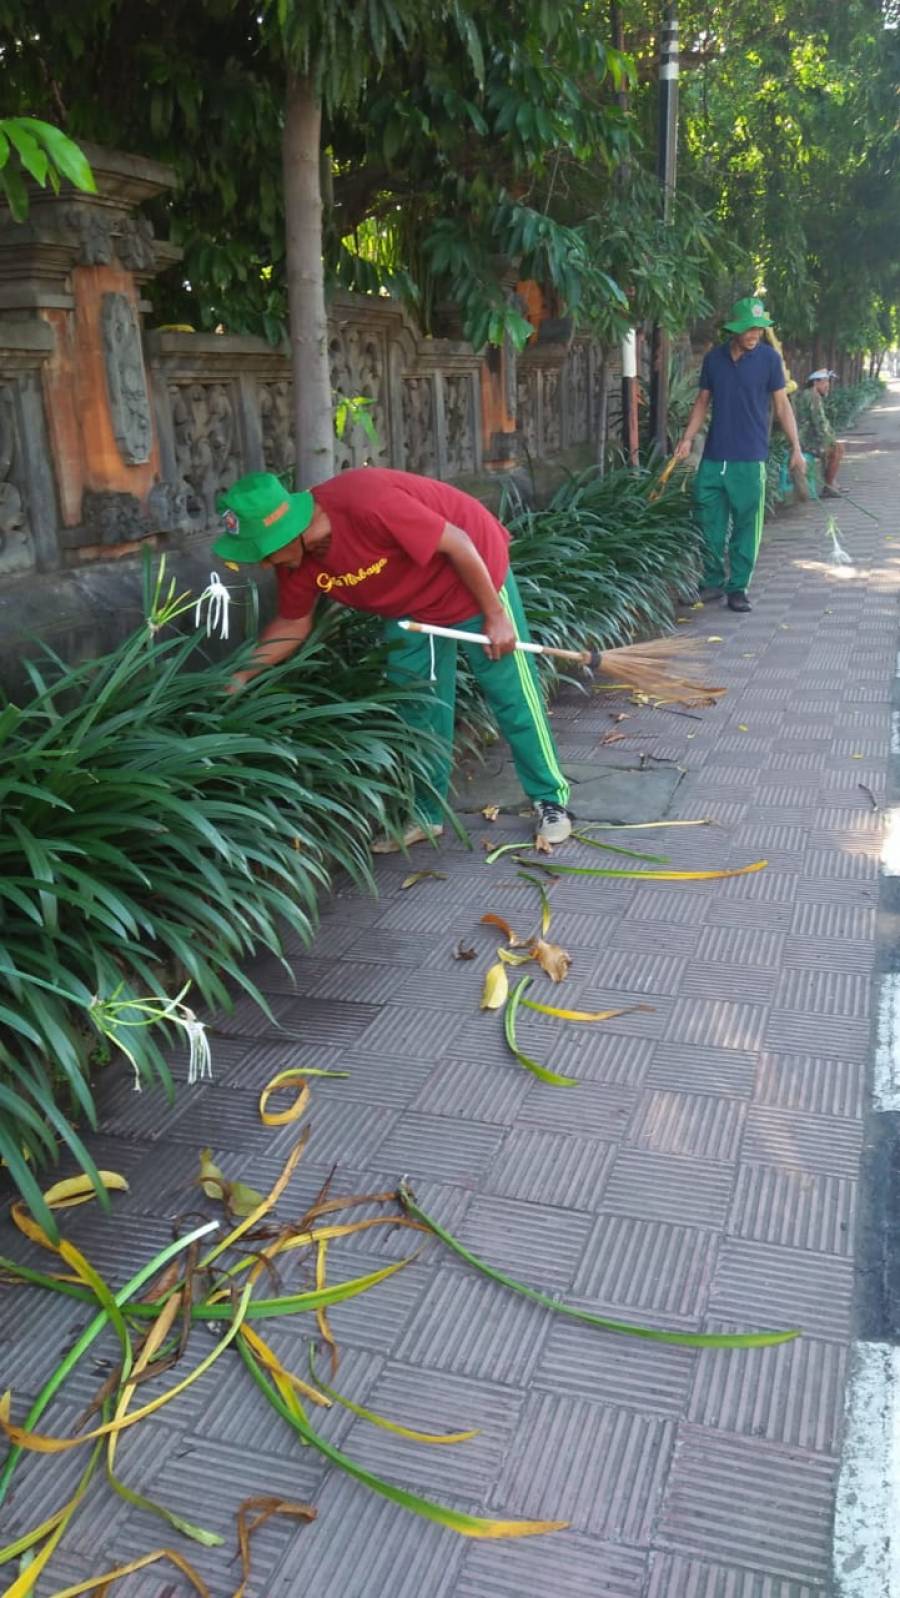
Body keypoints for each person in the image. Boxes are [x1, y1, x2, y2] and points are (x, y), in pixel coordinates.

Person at [212, 468, 572, 851]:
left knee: (511, 692)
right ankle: (426, 814)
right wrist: (242, 674)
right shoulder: (294, 561)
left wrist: (496, 615)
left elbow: (459, 542)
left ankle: (550, 799)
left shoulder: (366, 502)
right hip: (409, 606)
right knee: (418, 706)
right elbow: (293, 623)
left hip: (470, 578)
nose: (263, 565)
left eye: (264, 552)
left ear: (287, 533)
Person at [674, 296, 806, 613]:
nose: (755, 334)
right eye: (749, 328)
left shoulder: (769, 360)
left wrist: (796, 448)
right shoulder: (714, 359)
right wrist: (687, 439)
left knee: (747, 526)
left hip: (749, 458)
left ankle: (738, 588)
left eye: (759, 328)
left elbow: (782, 406)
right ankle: (712, 582)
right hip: (714, 456)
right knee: (709, 522)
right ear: (734, 329)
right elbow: (702, 401)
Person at [794, 370, 845, 498]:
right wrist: (830, 440)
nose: (828, 385)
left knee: (834, 447)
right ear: (815, 383)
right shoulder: (813, 396)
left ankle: (832, 483)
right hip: (805, 440)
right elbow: (819, 423)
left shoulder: (808, 394)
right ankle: (829, 486)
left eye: (828, 382)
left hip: (805, 438)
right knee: (837, 449)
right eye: (825, 382)